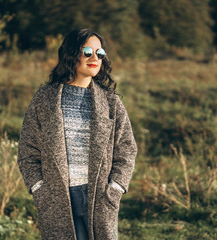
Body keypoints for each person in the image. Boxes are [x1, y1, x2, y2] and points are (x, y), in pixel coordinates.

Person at [17, 28, 137, 240]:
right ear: (71, 53)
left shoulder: (111, 103)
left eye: (100, 53)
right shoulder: (44, 99)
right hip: (57, 197)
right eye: (88, 51)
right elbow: (28, 150)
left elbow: (127, 149)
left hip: (99, 196)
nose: (95, 58)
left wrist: (115, 188)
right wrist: (39, 189)